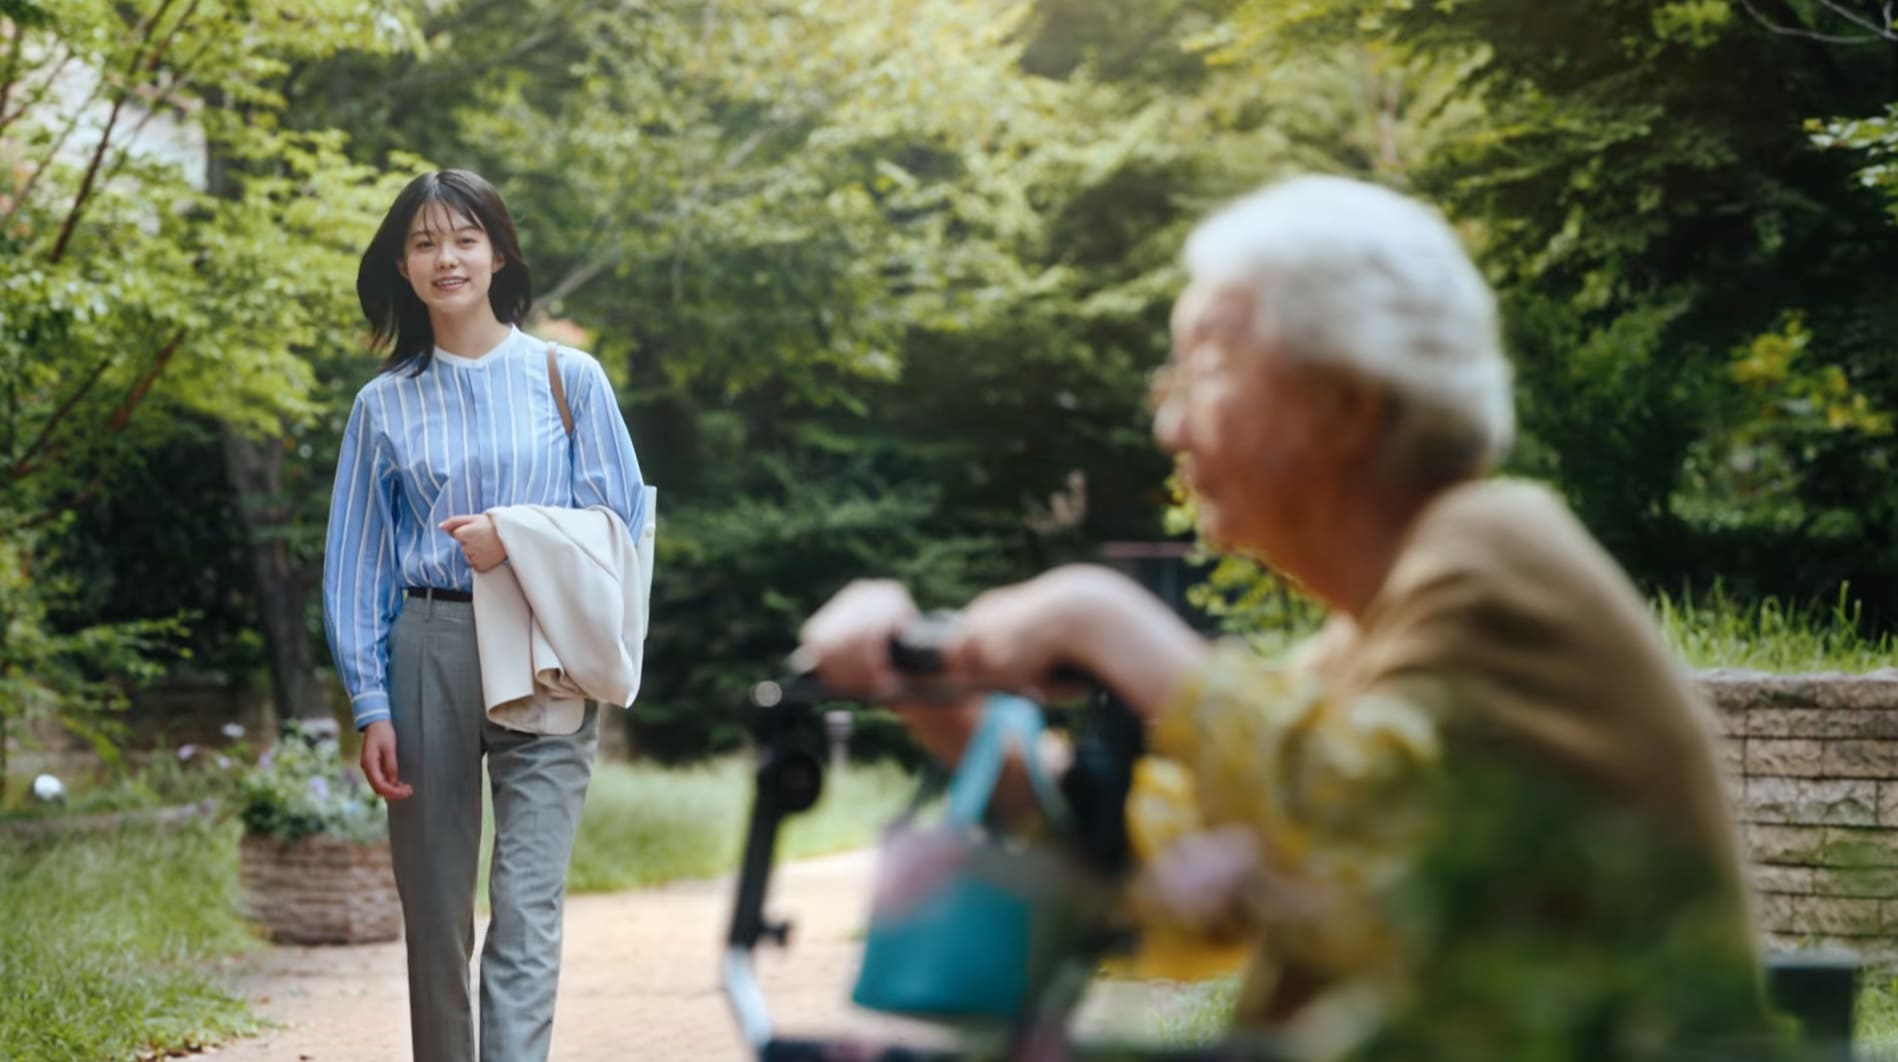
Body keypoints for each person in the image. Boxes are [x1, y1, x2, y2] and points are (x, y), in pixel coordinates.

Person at [799, 176, 1780, 1060]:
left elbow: (1368, 855)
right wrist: (938, 706)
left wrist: (1103, 621)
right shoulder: (1375, 631)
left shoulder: (1492, 559)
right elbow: (1180, 867)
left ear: (1348, 402)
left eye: (1207, 367)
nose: (1168, 423)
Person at [322, 169, 645, 1062]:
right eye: (424, 242)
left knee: (528, 899)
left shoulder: (568, 379)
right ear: (403, 262)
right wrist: (371, 704)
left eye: (463, 238)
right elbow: (357, 564)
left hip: (546, 646)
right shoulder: (380, 404)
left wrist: (514, 535)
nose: (445, 258)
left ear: (498, 252)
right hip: (427, 646)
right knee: (433, 911)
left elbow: (623, 530)